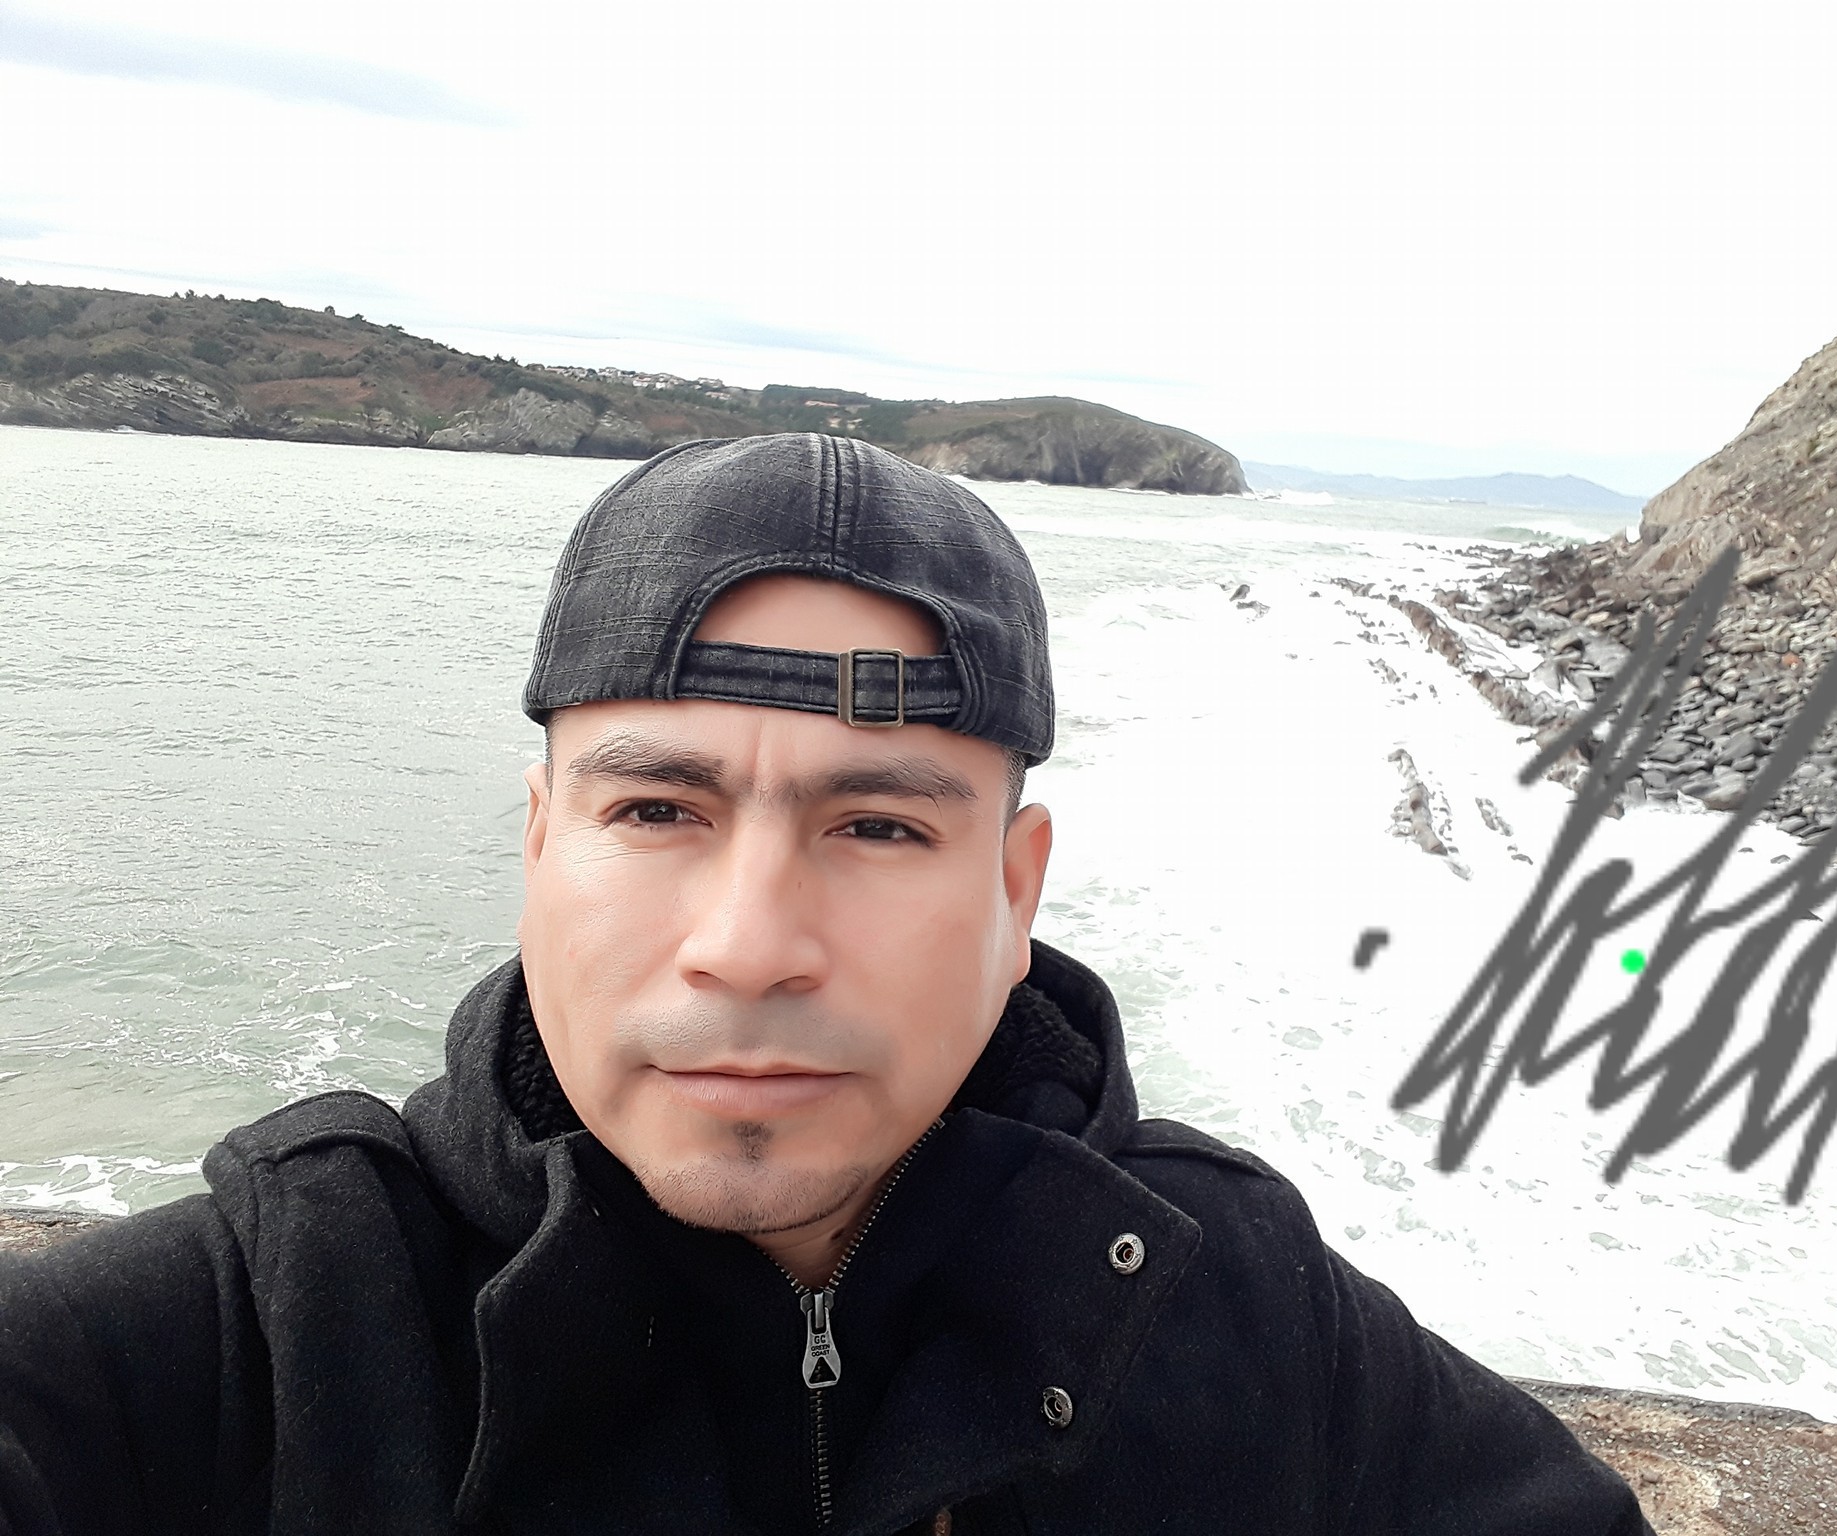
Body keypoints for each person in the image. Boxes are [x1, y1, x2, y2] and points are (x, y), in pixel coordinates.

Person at [0, 433, 1655, 1535]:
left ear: (1015, 891)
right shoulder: (246, 1339)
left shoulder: (1235, 1312)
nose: (749, 942)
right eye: (658, 811)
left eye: (877, 825)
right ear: (540, 840)